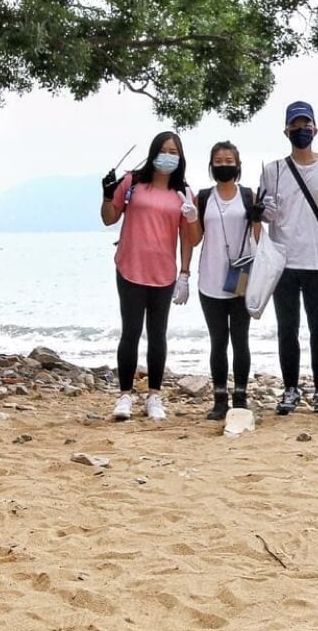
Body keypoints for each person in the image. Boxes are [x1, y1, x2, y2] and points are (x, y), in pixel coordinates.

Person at [256, 101, 318, 415]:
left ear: (315, 128)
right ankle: (289, 389)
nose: (301, 130)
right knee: (287, 329)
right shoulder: (272, 170)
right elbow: (268, 217)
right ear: (286, 131)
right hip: (283, 262)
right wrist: (261, 211)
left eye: (306, 125)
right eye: (295, 126)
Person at [101, 132, 199, 421]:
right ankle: (125, 396)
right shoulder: (132, 182)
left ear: (180, 158)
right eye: (164, 150)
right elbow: (109, 217)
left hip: (163, 273)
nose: (168, 156)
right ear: (153, 152)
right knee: (130, 331)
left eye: (174, 152)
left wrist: (185, 273)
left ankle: (154, 396)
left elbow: (190, 237)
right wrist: (108, 194)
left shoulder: (183, 192)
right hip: (130, 267)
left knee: (158, 334)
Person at [188, 142, 261, 420]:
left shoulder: (247, 195)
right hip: (210, 278)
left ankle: (240, 396)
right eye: (218, 160)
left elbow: (258, 239)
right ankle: (219, 398)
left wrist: (258, 218)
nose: (223, 164)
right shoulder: (204, 197)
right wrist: (192, 217)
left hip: (241, 277)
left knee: (240, 339)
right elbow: (195, 239)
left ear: (238, 164)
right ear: (211, 165)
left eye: (229, 159)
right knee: (218, 340)